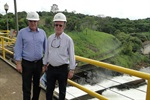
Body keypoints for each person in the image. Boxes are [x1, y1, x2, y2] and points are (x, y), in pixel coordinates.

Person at [14, 11, 47, 100]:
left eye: (35, 21)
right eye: (31, 21)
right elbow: (18, 48)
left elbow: (46, 49)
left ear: (38, 22)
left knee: (37, 85)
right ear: (28, 21)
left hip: (39, 63)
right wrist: (18, 63)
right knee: (26, 85)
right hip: (27, 63)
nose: (33, 23)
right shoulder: (22, 32)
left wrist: (46, 63)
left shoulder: (42, 33)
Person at [43, 12, 76, 100]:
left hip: (63, 69)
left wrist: (72, 70)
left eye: (60, 25)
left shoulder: (68, 40)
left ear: (64, 26)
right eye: (56, 25)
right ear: (54, 25)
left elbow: (72, 55)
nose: (58, 27)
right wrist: (44, 64)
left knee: (62, 91)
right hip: (51, 68)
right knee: (49, 89)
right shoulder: (50, 38)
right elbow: (47, 52)